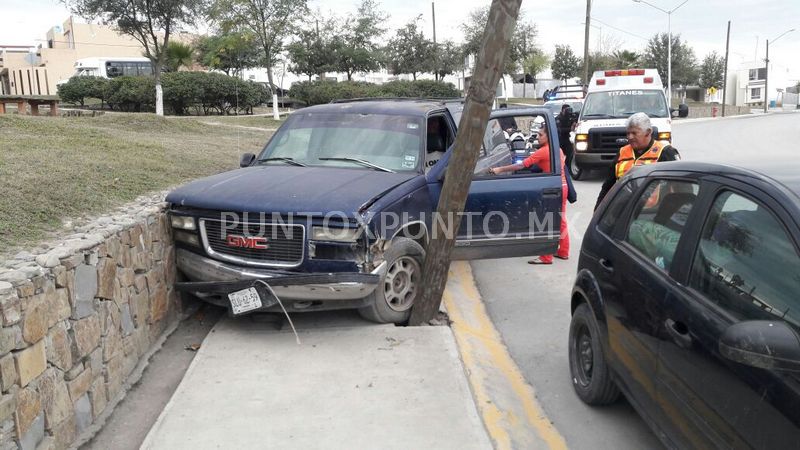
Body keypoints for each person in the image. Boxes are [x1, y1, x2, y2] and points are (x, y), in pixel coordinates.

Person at [488, 122, 569, 265]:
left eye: (540, 134)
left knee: (548, 220)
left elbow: (521, 165)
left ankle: (546, 257)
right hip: (562, 186)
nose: (538, 137)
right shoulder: (557, 149)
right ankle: (563, 251)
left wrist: (500, 170)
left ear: (548, 137)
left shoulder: (544, 151)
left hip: (553, 187)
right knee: (560, 220)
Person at [595, 112, 680, 209]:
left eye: (634, 133)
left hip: (652, 213)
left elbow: (680, 188)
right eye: (628, 133)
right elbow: (608, 186)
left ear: (648, 132)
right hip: (622, 211)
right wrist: (598, 210)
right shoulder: (622, 152)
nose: (630, 137)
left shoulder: (665, 152)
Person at [556, 104, 576, 171]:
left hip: (568, 139)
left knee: (570, 155)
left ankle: (567, 168)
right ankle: (559, 168)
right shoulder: (558, 118)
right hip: (560, 140)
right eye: (566, 110)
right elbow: (560, 130)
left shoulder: (570, 117)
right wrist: (570, 129)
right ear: (562, 110)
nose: (568, 112)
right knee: (558, 156)